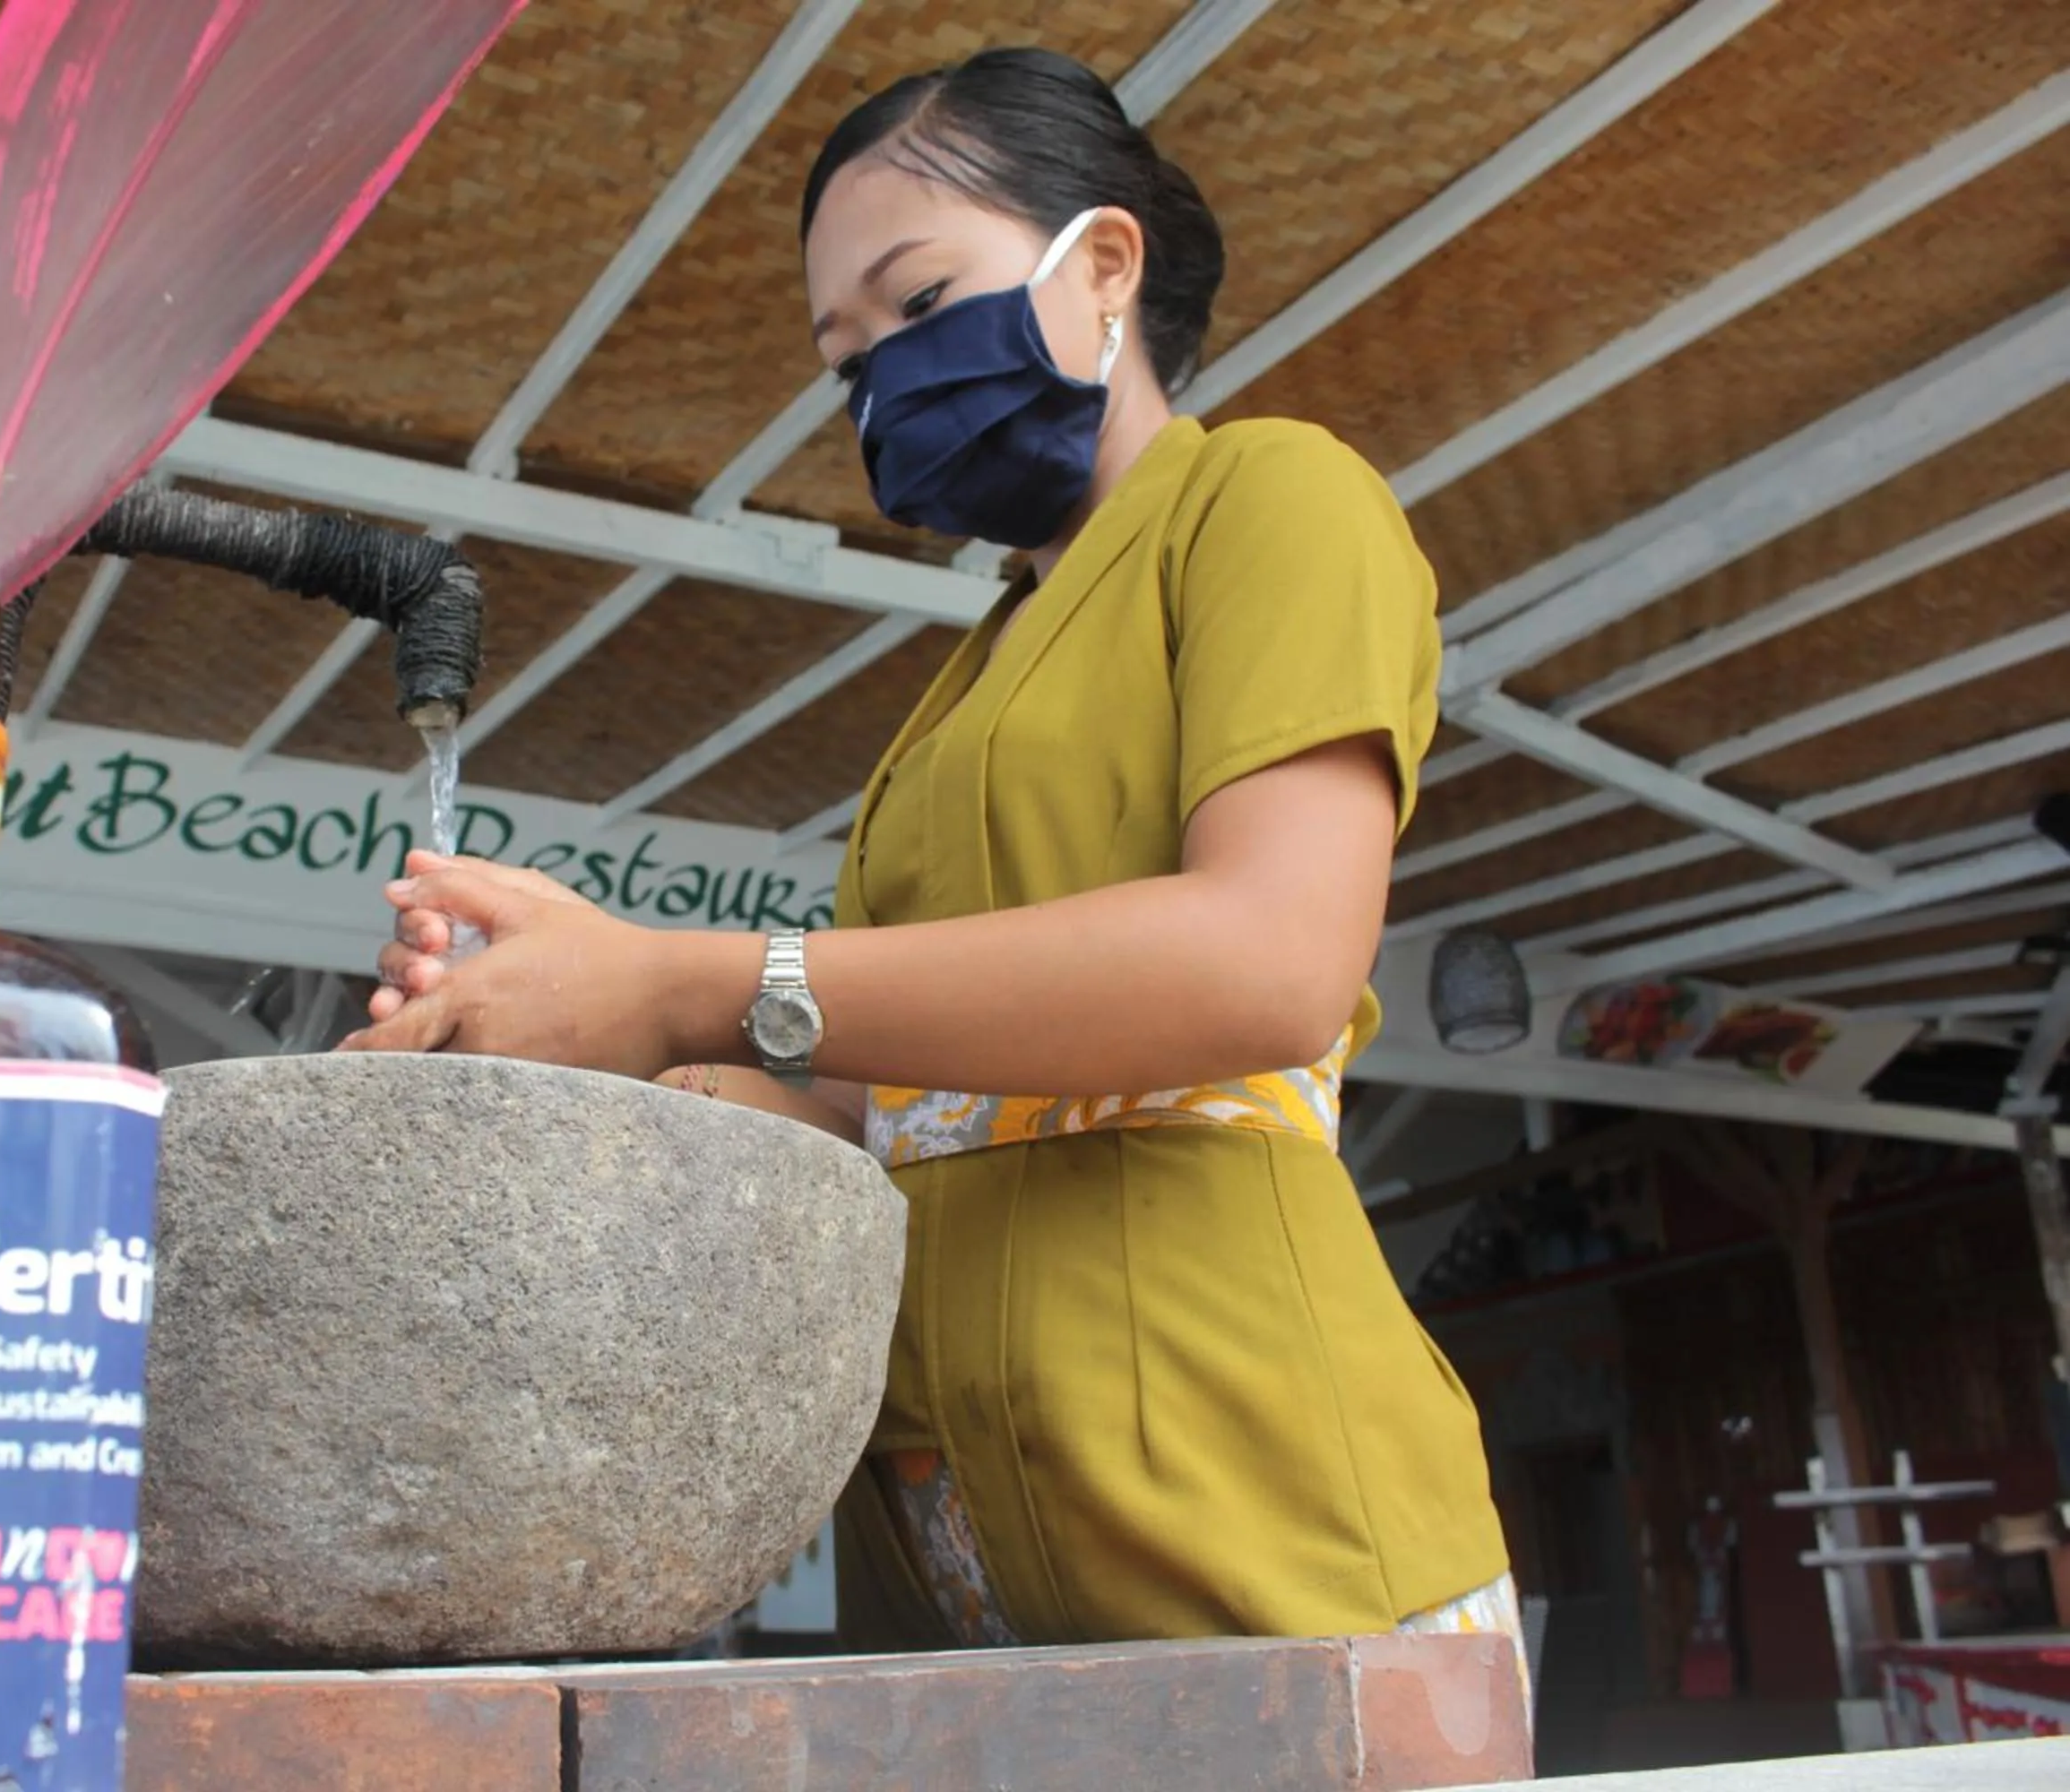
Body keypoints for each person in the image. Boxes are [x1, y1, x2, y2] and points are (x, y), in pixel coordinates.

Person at [342, 45, 1520, 1672]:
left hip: (1259, 1512)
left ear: (1103, 265)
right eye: (849, 361)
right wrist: (578, 1007)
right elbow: (885, 1094)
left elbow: (1268, 960)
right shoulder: (971, 677)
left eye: (918, 302)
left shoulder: (1274, 497)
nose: (888, 379)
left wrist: (682, 983)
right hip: (957, 1542)